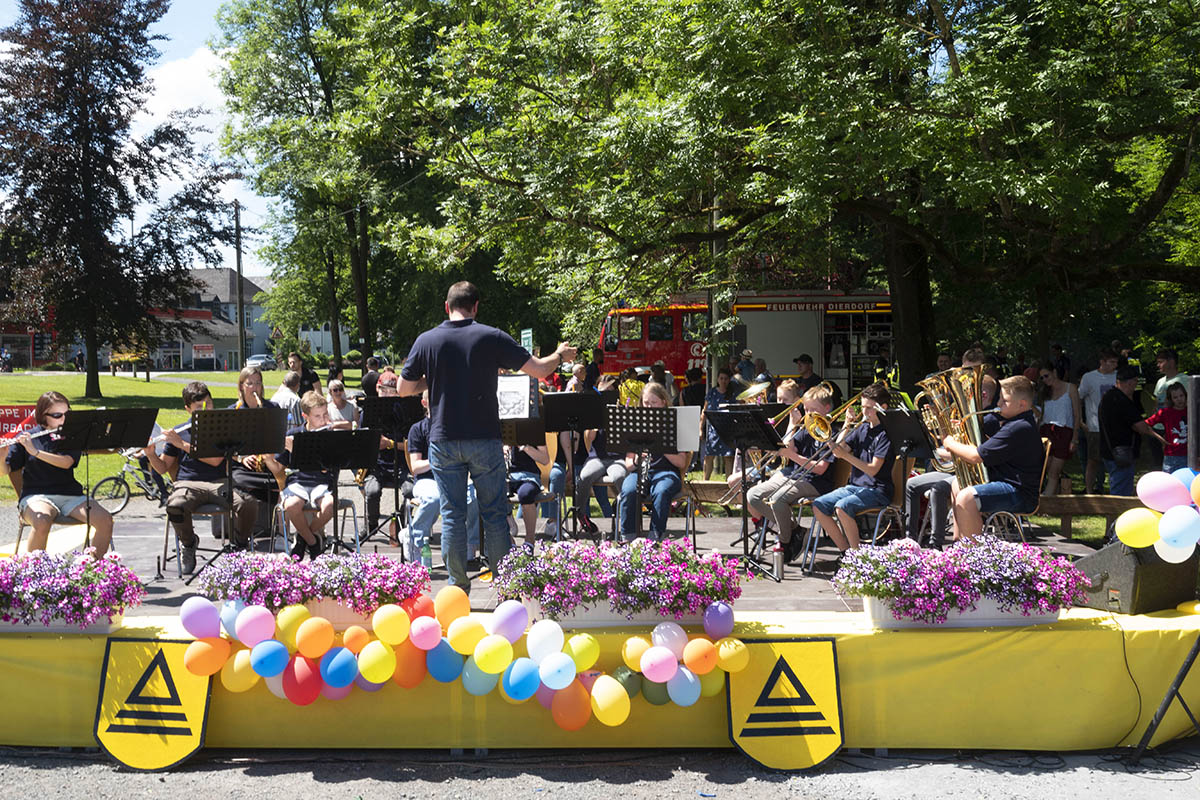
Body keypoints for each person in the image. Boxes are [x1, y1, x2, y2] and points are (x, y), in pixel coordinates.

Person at [398, 281, 576, 591]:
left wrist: (438, 378)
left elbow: (403, 389)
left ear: (446, 306)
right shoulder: (491, 336)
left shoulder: (426, 340)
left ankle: (456, 589)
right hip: (484, 438)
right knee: (494, 512)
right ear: (476, 306)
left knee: (452, 514)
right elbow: (539, 370)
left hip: (443, 440)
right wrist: (560, 355)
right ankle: (504, 586)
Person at [145, 382, 256, 573]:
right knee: (175, 506)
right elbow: (163, 468)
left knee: (248, 504)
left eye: (209, 404)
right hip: (188, 484)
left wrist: (182, 445)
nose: (206, 409)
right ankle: (189, 544)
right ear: (188, 409)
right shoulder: (179, 432)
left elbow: (215, 461)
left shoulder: (220, 430)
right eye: (199, 407)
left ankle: (239, 544)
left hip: (218, 483)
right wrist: (150, 454)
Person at [1, 391, 113, 558]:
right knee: (42, 520)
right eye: (57, 415)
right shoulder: (28, 437)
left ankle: (89, 570)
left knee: (105, 519)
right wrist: (2, 457)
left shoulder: (72, 435)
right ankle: (33, 573)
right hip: (36, 496)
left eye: (67, 414)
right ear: (43, 415)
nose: (63, 419)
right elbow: (5, 471)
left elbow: (66, 462)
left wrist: (35, 452)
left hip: (71, 495)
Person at [943, 376, 1044, 539]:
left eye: (1004, 401)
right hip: (1006, 483)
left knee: (966, 497)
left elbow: (976, 456)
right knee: (958, 483)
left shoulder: (1018, 428)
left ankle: (973, 556)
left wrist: (949, 442)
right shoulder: (1015, 423)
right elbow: (984, 449)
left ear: (1022, 404)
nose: (998, 404)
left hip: (1019, 493)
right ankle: (958, 541)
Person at [746, 381, 835, 563]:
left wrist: (791, 455)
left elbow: (820, 469)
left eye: (813, 410)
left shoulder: (830, 432)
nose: (809, 414)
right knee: (753, 495)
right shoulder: (806, 427)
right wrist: (793, 425)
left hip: (816, 482)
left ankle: (785, 542)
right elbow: (787, 448)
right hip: (796, 475)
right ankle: (795, 530)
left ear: (826, 408)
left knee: (777, 500)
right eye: (806, 409)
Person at [810, 382, 893, 554]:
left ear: (882, 407)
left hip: (878, 490)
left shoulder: (886, 434)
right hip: (855, 487)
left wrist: (846, 456)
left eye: (869, 408)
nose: (865, 412)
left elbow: (873, 470)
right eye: (863, 407)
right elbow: (837, 449)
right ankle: (844, 552)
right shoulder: (861, 428)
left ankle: (857, 557)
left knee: (842, 507)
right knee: (818, 505)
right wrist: (847, 425)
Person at [405, 389, 480, 569]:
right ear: (425, 404)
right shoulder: (417, 429)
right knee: (434, 498)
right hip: (427, 479)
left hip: (453, 476)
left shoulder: (454, 426)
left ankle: (470, 543)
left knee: (474, 496)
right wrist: (437, 459)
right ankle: (415, 538)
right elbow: (415, 468)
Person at [269, 391, 337, 560]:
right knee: (291, 505)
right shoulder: (294, 435)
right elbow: (278, 469)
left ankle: (303, 539)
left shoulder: (329, 437)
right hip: (298, 482)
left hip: (321, 483)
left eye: (325, 414)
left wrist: (298, 451)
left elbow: (328, 468)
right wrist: (267, 457)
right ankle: (313, 543)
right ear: (305, 416)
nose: (323, 419)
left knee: (329, 506)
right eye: (317, 416)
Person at [618, 382, 689, 540]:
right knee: (629, 490)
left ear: (664, 402)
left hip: (667, 472)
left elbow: (681, 462)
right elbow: (629, 464)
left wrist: (660, 445)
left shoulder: (675, 425)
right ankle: (627, 538)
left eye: (654, 403)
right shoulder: (637, 425)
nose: (649, 408)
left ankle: (655, 539)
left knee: (661, 491)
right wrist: (637, 458)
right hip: (641, 472)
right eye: (646, 403)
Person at [360, 372, 414, 547]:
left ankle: (401, 523)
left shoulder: (406, 411)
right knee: (372, 490)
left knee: (410, 491)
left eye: (392, 391)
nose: (388, 394)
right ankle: (371, 525)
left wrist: (389, 443)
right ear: (377, 389)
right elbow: (361, 441)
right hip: (378, 465)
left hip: (403, 464)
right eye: (384, 390)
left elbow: (410, 445)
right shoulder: (369, 411)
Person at [1098, 366, 1154, 497]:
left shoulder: (1107, 397)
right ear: (1131, 382)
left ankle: (1113, 517)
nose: (1136, 387)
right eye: (1136, 382)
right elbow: (1141, 427)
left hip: (1110, 451)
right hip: (1122, 454)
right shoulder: (1121, 400)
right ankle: (1116, 517)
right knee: (1121, 494)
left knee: (1117, 487)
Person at [1078, 349, 1119, 493]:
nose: (1115, 365)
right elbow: (1078, 399)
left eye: (1116, 362)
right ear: (1102, 362)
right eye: (1112, 362)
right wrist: (1081, 422)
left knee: (1115, 460)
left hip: (1115, 427)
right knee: (1093, 460)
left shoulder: (1118, 377)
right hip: (1095, 427)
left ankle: (1114, 490)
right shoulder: (1089, 378)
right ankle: (1089, 490)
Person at [1038, 363, 1082, 496]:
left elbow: (1077, 414)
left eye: (1046, 375)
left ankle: (1048, 498)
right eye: (1042, 378)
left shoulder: (1071, 388)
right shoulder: (1045, 392)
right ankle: (1050, 496)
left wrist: (1074, 438)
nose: (1045, 380)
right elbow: (1042, 415)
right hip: (1046, 431)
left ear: (1055, 372)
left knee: (1054, 470)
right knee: (1045, 467)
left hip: (1063, 431)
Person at [507, 438, 551, 547]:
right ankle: (508, 540)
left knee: (525, 494)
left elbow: (545, 459)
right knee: (491, 493)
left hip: (529, 475)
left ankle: (529, 540)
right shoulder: (501, 427)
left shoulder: (533, 429)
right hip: (507, 475)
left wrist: (525, 447)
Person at [1144, 383, 1188, 472]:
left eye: (1181, 395)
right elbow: (1145, 425)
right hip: (1171, 456)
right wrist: (1159, 438)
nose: (1179, 399)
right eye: (1175, 397)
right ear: (1171, 399)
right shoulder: (1165, 413)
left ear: (1185, 395)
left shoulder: (1192, 410)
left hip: (1190, 455)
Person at [701, 368, 736, 479]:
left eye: (726, 379)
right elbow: (704, 411)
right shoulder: (712, 392)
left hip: (728, 430)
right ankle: (705, 482)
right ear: (717, 379)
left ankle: (728, 483)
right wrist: (700, 428)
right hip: (713, 430)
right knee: (709, 456)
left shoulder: (732, 394)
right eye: (721, 378)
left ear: (729, 380)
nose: (723, 381)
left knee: (728, 457)